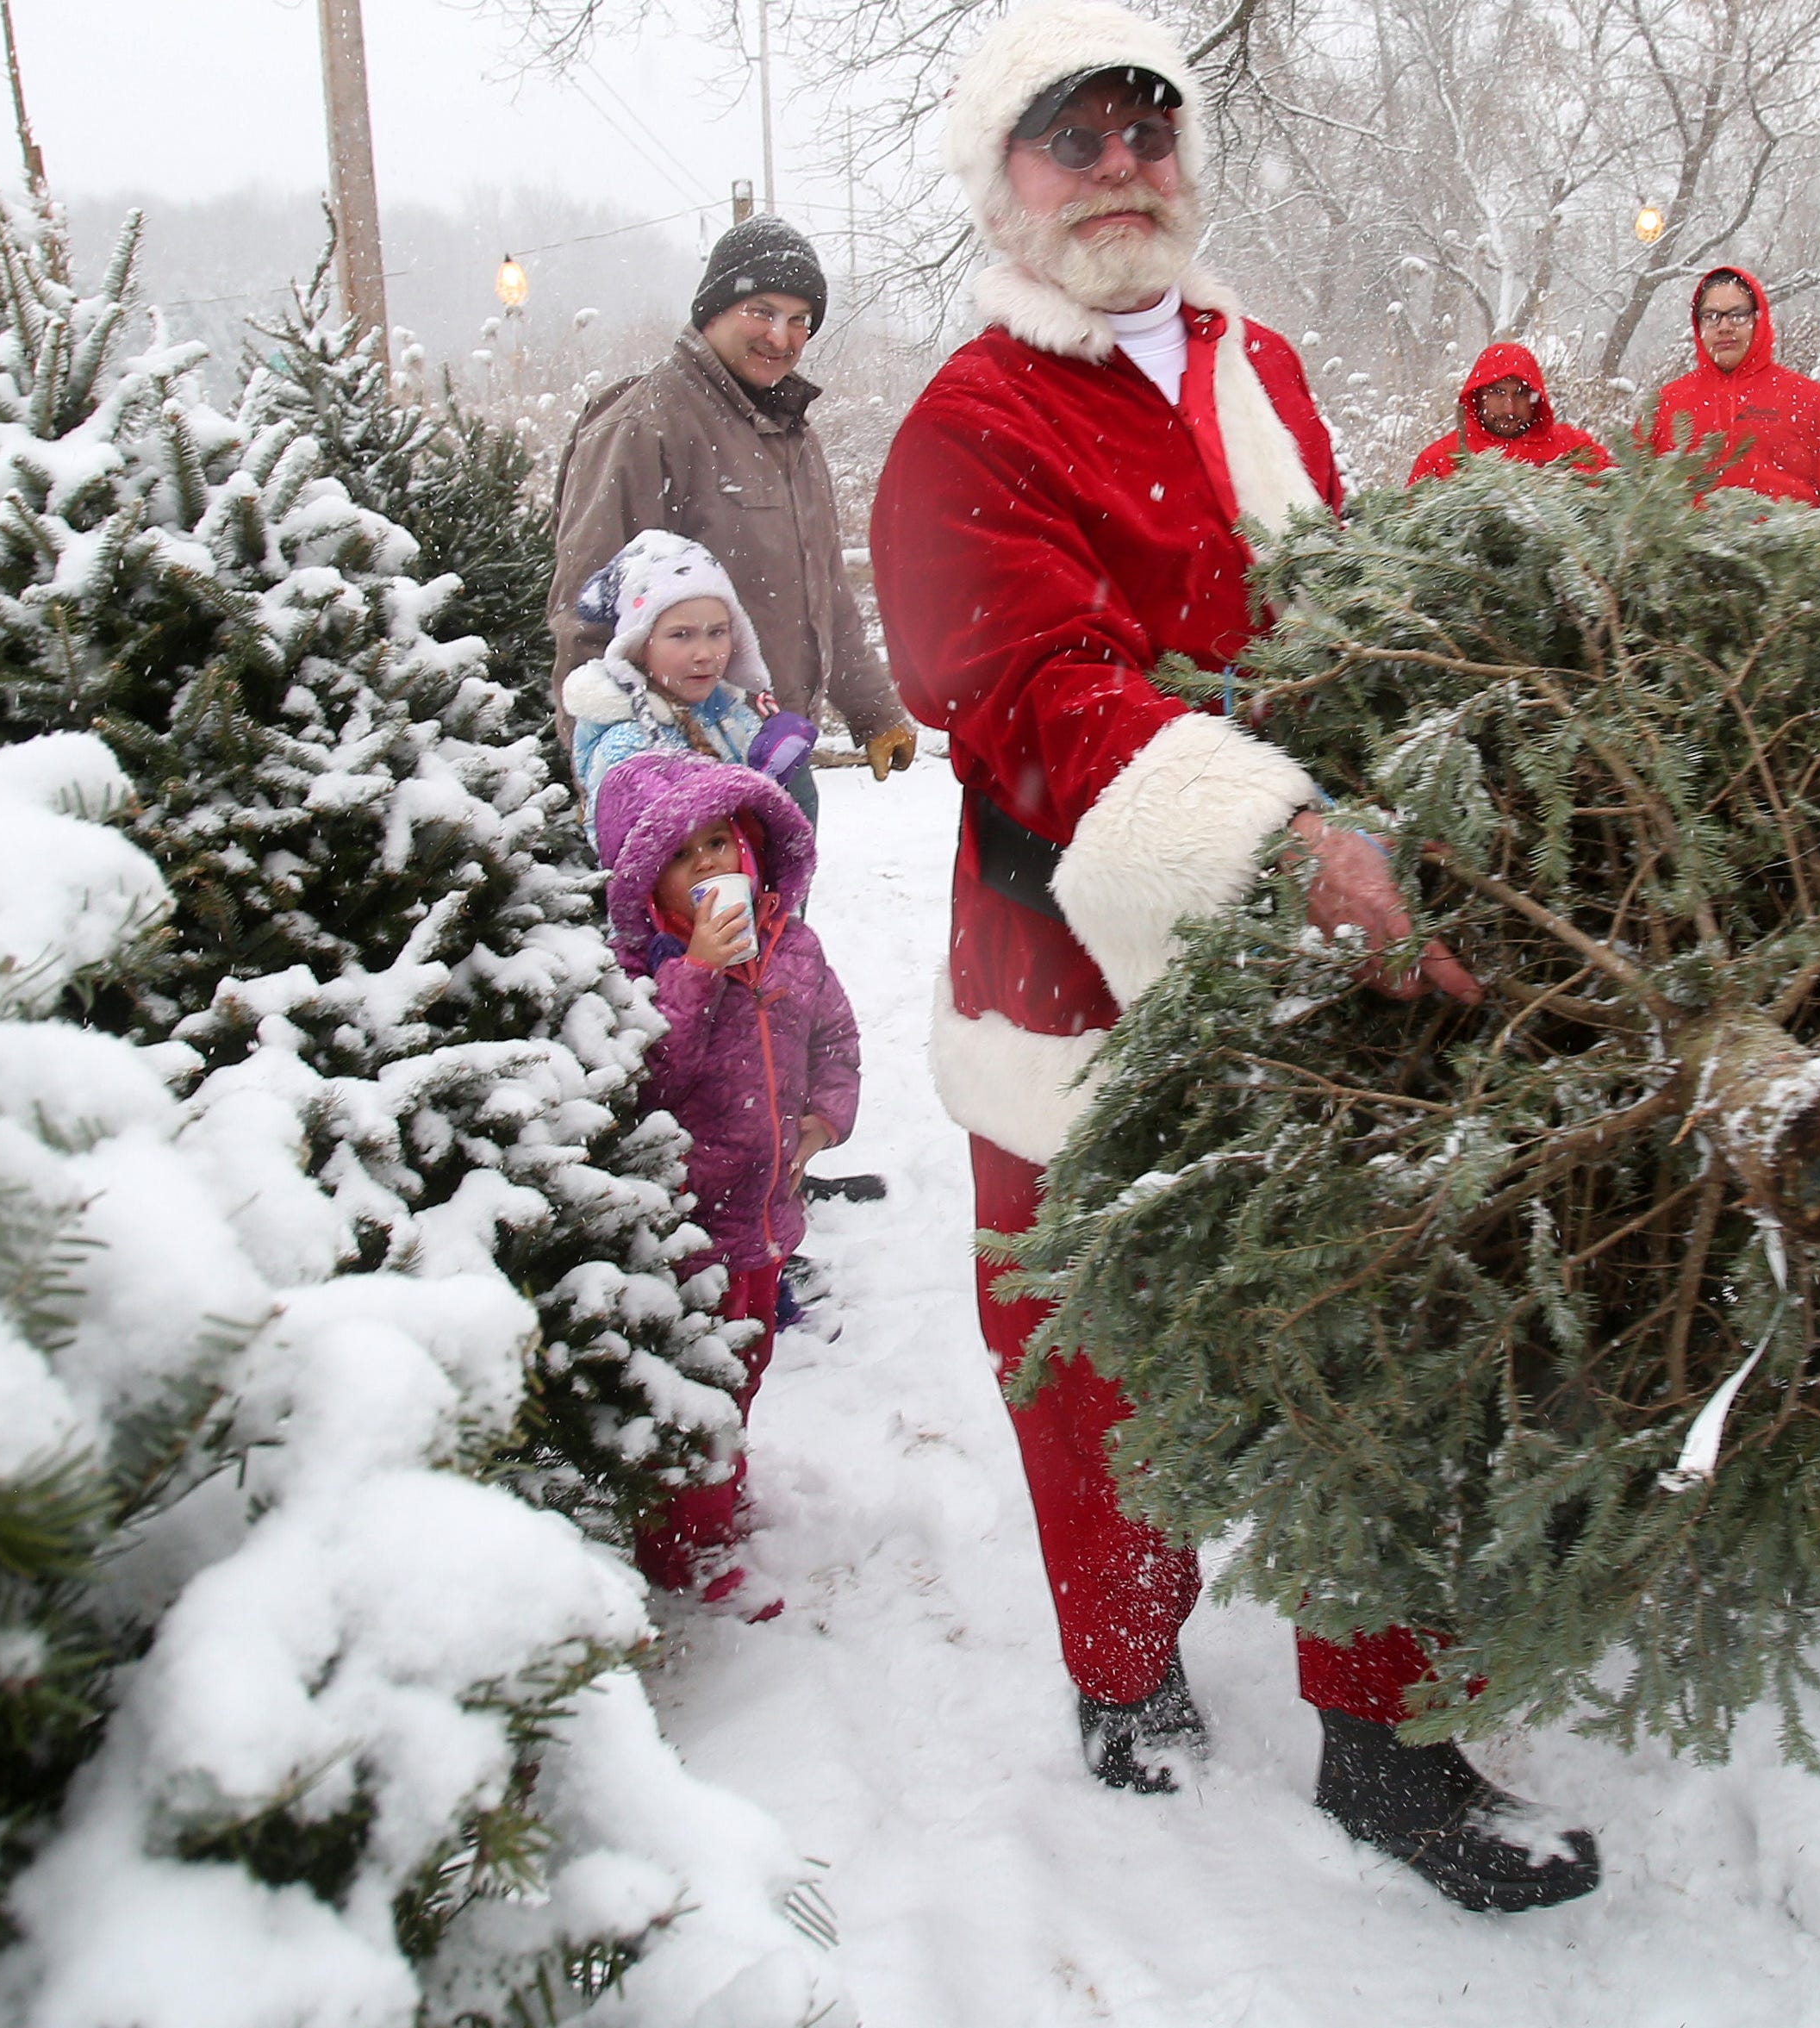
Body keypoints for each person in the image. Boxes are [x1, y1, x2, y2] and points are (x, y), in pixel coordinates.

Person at [869, 0, 1598, 1914]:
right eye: (1071, 138)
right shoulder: (970, 422)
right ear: (1002, 181)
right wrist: (1276, 835)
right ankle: (1126, 1669)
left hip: (1320, 962)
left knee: (1379, 1317)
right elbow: (1022, 693)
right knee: (1087, 1355)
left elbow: (1338, 607)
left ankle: (1394, 1736)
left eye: (1147, 127)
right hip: (1074, 977)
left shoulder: (1258, 361)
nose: (1121, 168)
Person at [591, 749, 862, 1623]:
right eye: (683, 854)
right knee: (697, 1389)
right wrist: (698, 972)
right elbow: (653, 1079)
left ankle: (719, 1496)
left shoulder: (797, 947)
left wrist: (824, 1117)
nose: (710, 862)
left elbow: (836, 1039)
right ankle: (686, 1548)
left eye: (718, 840)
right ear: (647, 886)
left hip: (767, 1219)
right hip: (690, 1235)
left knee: (744, 1373)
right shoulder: (640, 980)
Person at [550, 215, 923, 824]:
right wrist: (606, 775)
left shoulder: (792, 435)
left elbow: (825, 593)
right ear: (713, 310)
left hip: (779, 752)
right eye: (762, 310)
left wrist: (872, 709)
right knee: (705, 925)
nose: (782, 336)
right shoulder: (647, 426)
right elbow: (586, 612)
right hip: (681, 765)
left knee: (782, 923)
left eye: (800, 320)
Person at [565, 528, 821, 826]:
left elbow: (784, 851)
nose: (704, 654)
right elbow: (670, 857)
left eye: (717, 633)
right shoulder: (628, 747)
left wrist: (788, 782)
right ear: (637, 646)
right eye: (681, 635)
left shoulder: (737, 719)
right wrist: (756, 798)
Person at [1648, 265, 1820, 512]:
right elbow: (1626, 491)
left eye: (1737, 314)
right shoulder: (1667, 404)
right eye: (1711, 316)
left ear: (1759, 318)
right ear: (1697, 324)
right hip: (1685, 550)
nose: (1724, 326)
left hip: (1789, 548)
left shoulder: (1811, 401)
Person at [1406, 340, 1611, 483]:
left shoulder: (1575, 450)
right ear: (1477, 396)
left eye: (1521, 394)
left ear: (1535, 398)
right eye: (1498, 393)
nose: (1509, 408)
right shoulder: (1440, 461)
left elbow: (1628, 502)